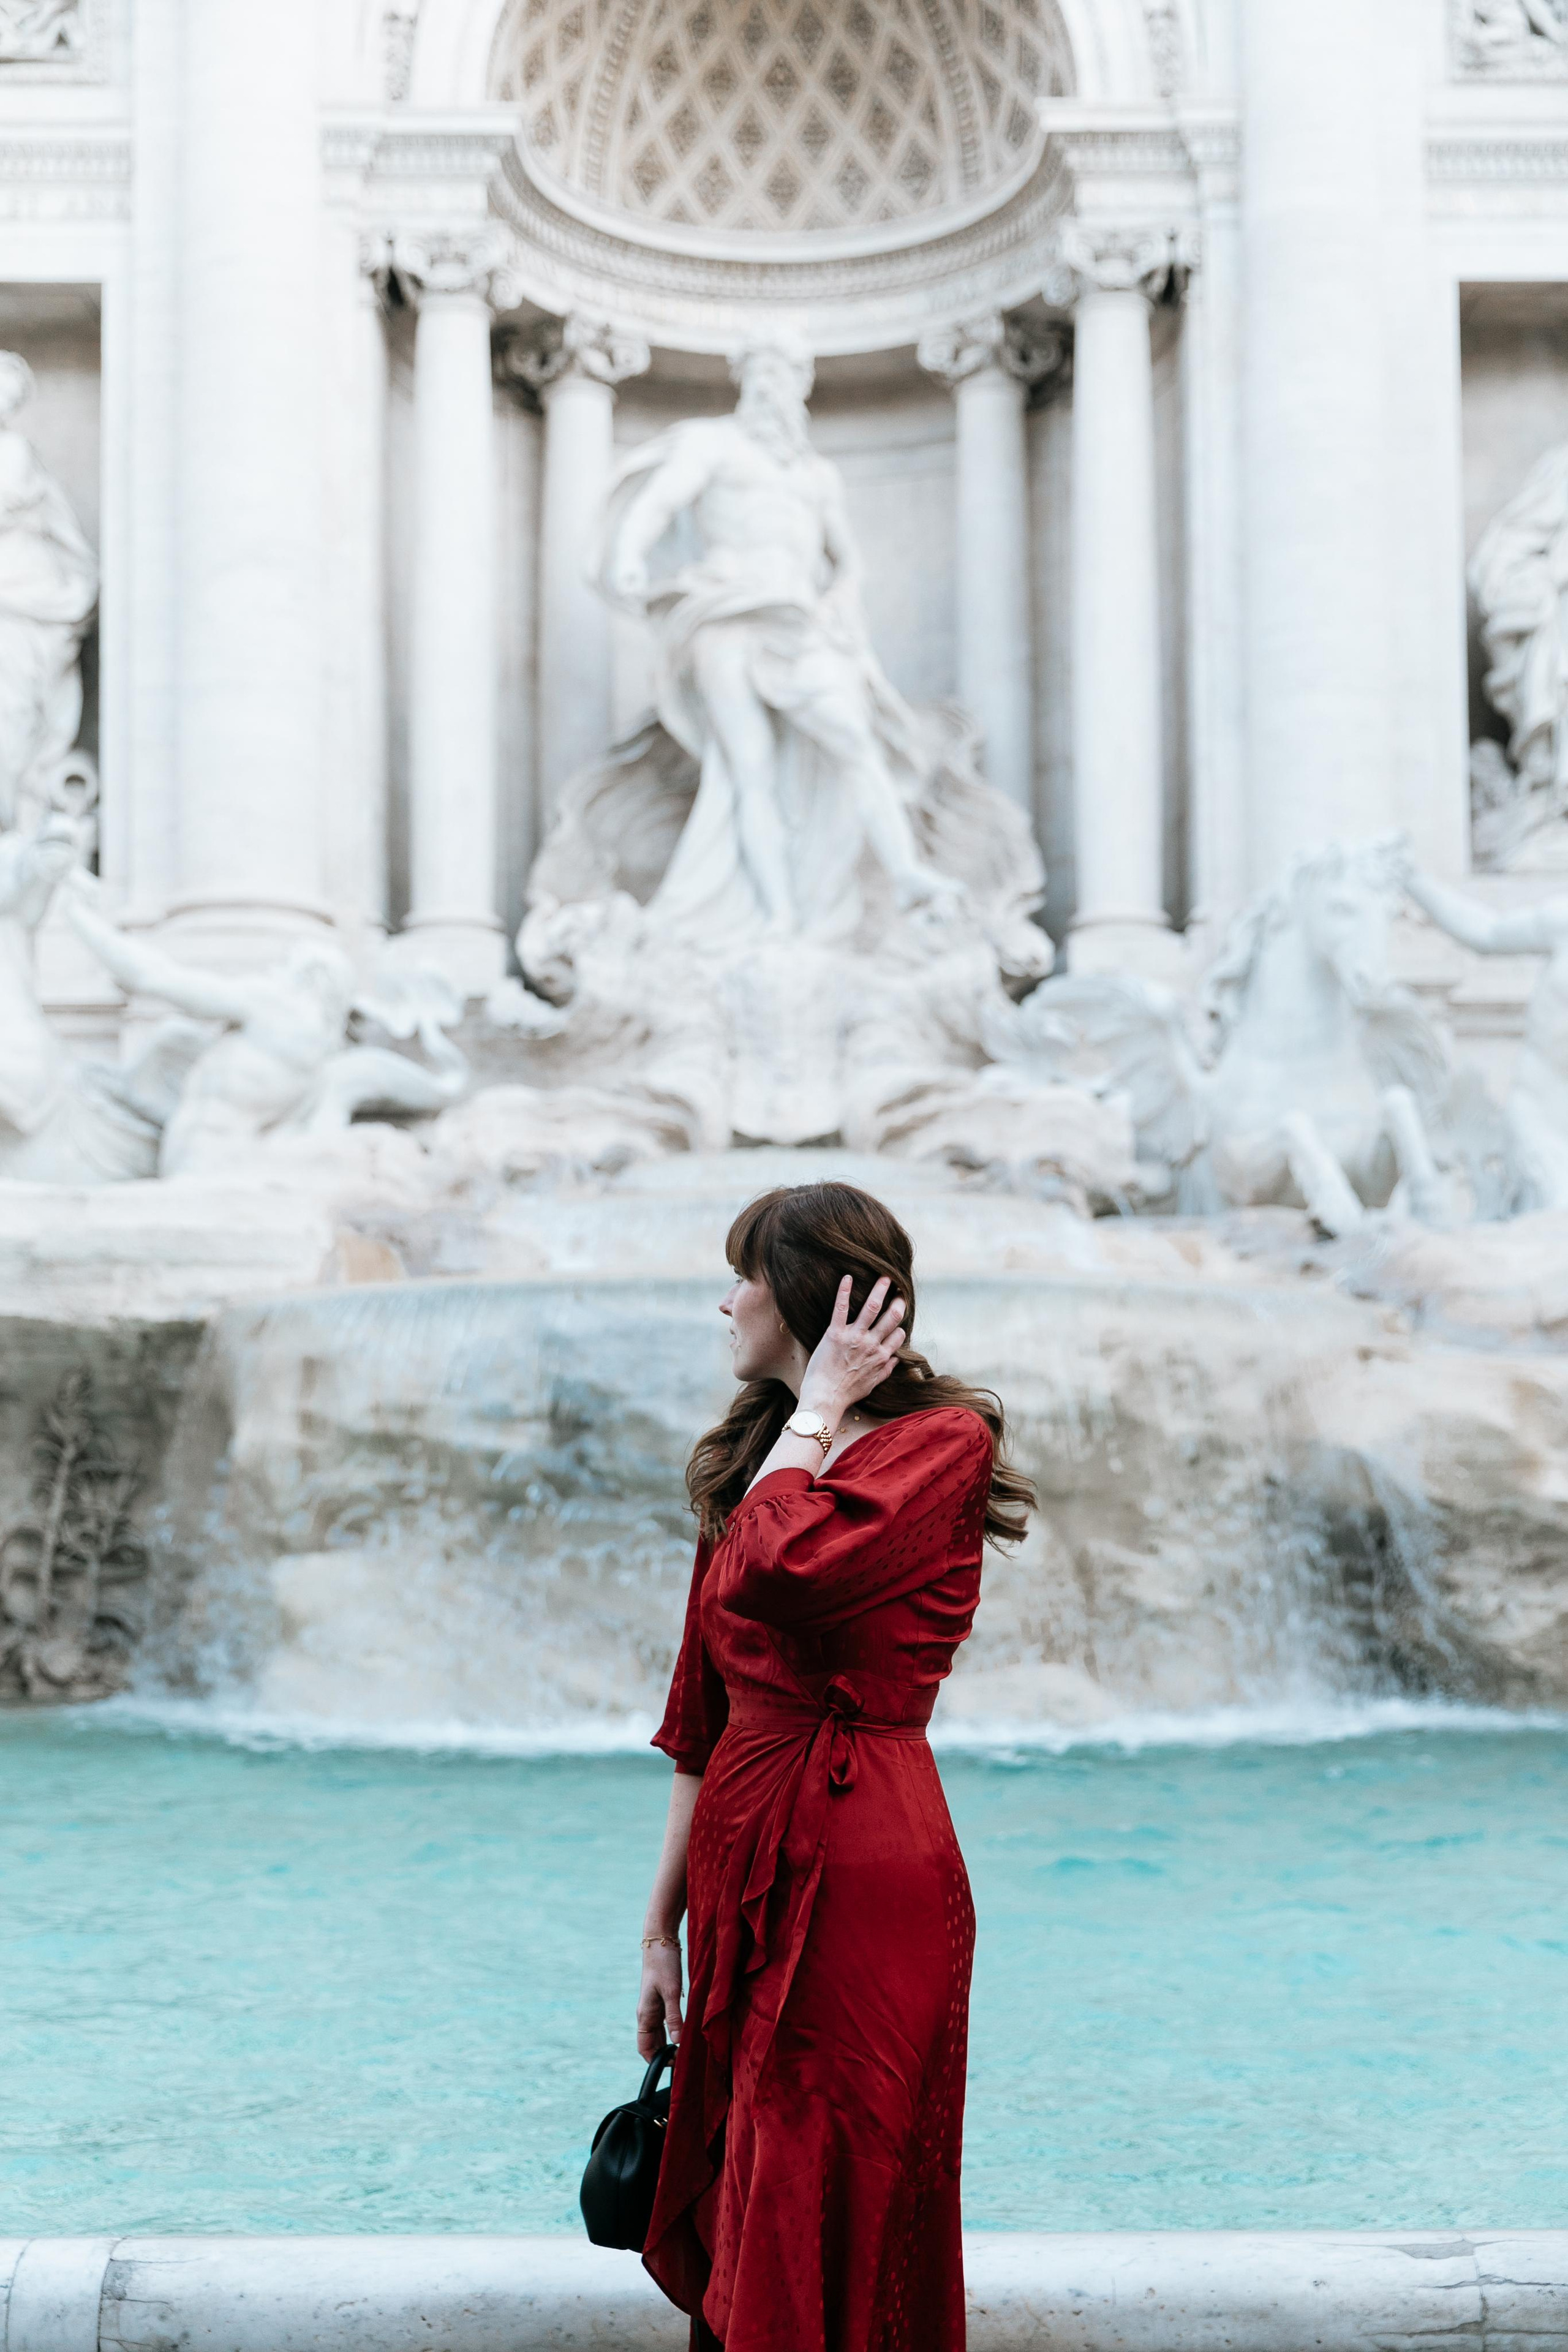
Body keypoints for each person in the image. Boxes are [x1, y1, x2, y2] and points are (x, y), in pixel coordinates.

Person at [637, 1180, 1032, 2352]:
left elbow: (779, 1573)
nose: (727, 1304)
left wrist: (817, 1405)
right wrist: (660, 1930)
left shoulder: (941, 1444)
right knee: (746, 2154)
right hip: (741, 1849)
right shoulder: (758, 1459)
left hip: (864, 1858)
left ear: (810, 1296)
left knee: (826, 2148)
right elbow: (700, 1716)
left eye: (745, 1278)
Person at [598, 339, 959, 944]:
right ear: (745, 383)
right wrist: (629, 555)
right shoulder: (712, 444)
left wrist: (840, 600)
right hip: (725, 613)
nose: (774, 387)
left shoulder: (817, 475)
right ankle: (778, 916)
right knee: (750, 770)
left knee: (856, 741)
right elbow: (658, 503)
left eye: (786, 375)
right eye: (763, 374)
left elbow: (848, 561)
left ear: (802, 386)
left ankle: (905, 873)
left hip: (798, 621)